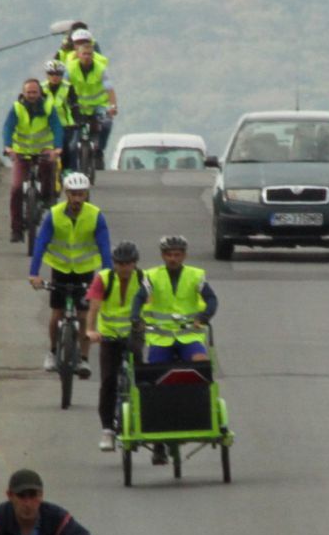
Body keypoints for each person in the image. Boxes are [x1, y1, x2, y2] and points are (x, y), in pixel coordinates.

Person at [131, 234, 218, 465]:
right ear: (162, 256)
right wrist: (135, 319)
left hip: (189, 335)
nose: (173, 258)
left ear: (184, 255)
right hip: (160, 339)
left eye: (177, 254)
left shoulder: (195, 275)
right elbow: (139, 299)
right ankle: (158, 445)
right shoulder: (151, 276)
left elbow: (211, 299)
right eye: (169, 254)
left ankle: (200, 414)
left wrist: (204, 316)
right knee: (154, 380)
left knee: (201, 366)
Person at [29, 172, 112, 373]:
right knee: (57, 314)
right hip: (60, 269)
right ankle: (52, 351)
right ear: (66, 194)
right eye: (73, 194)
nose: (77, 199)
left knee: (84, 316)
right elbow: (41, 243)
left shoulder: (95, 215)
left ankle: (83, 359)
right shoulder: (55, 214)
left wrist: (108, 276)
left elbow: (104, 246)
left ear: (86, 195)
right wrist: (34, 273)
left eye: (81, 194)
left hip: (85, 271)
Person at [83, 240, 147, 452]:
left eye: (128, 263)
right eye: (120, 263)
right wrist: (91, 331)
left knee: (141, 378)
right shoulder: (104, 278)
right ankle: (108, 430)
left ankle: (144, 421)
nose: (124, 268)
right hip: (108, 336)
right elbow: (93, 308)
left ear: (135, 263)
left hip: (134, 334)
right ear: (114, 264)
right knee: (108, 380)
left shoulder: (143, 279)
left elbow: (153, 304)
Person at [1, 78, 63, 243]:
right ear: (23, 93)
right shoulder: (17, 108)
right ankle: (16, 230)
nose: (32, 95)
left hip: (43, 151)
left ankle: (47, 197)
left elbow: (57, 127)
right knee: (16, 188)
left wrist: (57, 148)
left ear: (39, 93)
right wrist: (8, 147)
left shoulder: (48, 107)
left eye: (34, 92)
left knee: (49, 167)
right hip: (22, 154)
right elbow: (8, 127)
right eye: (29, 92)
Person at [64, 30, 118, 163]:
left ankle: (99, 151)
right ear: (78, 55)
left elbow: (110, 89)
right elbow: (63, 88)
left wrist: (112, 106)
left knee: (106, 124)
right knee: (73, 141)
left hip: (98, 105)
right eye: (84, 54)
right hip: (78, 106)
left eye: (89, 54)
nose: (86, 57)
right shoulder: (70, 68)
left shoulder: (100, 69)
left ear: (93, 55)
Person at [39, 59, 86, 172]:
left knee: (70, 150)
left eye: (58, 74)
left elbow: (74, 106)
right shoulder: (40, 87)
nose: (55, 77)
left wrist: (78, 121)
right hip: (45, 126)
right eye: (51, 74)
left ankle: (71, 172)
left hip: (65, 125)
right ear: (47, 74)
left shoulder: (68, 87)